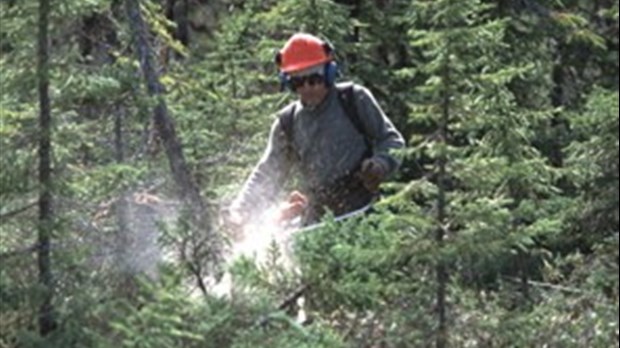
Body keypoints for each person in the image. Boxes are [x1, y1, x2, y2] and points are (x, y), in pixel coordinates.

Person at [226, 33, 405, 228]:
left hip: (364, 207)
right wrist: (241, 210)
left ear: (329, 73)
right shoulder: (287, 122)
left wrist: (380, 164)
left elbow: (392, 141)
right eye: (297, 82)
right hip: (318, 216)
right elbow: (268, 173)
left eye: (313, 79)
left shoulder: (354, 99)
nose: (307, 87)